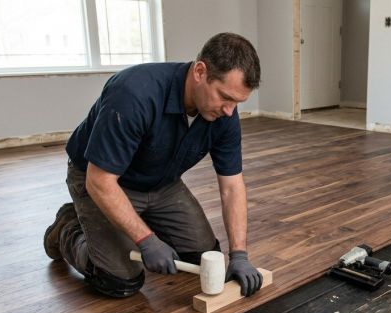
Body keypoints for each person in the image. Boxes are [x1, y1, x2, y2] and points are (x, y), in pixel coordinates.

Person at [43, 32, 263, 298]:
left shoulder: (224, 113)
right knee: (119, 280)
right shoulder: (133, 93)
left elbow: (231, 187)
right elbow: (99, 181)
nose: (230, 111)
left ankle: (139, 221)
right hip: (103, 181)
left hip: (161, 183)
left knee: (202, 259)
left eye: (237, 103)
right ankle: (68, 227)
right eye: (224, 97)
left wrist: (239, 253)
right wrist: (146, 240)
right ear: (200, 71)